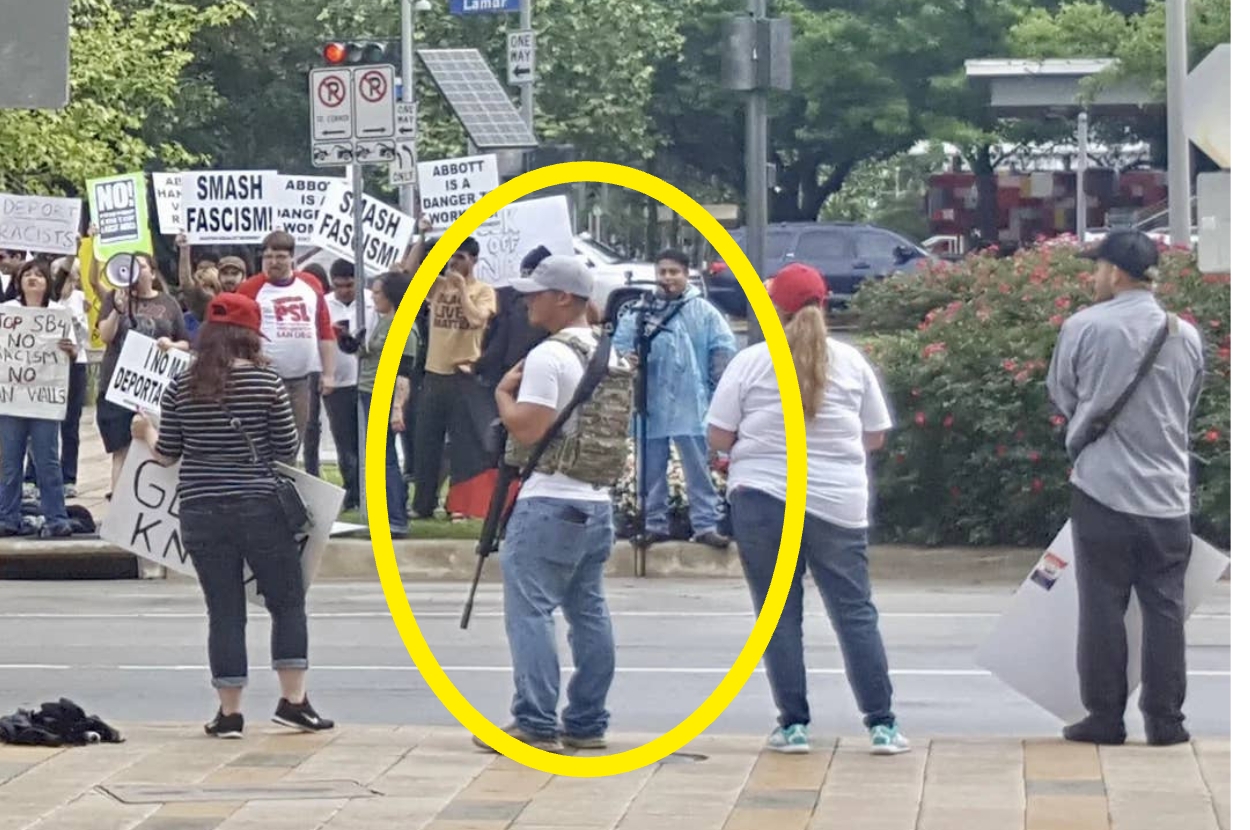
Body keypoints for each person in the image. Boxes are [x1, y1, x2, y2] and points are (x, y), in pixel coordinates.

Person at [706, 262, 908, 756]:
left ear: (776, 307)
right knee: (855, 614)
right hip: (837, 502)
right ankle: (881, 724)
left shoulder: (752, 361)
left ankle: (793, 725)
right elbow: (875, 435)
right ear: (825, 304)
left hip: (762, 498)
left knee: (778, 614)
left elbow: (718, 434)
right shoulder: (852, 363)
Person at [129, 292, 334, 739]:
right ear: (250, 336)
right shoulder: (267, 383)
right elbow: (286, 450)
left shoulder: (182, 385)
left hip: (201, 510)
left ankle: (229, 713)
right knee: (286, 602)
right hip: (260, 508)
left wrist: (146, 430)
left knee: (224, 611)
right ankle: (293, 702)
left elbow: (167, 454)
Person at [1046, 230, 1205, 747]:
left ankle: (1104, 717)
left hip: (1103, 489)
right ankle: (1166, 721)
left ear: (1115, 272)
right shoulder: (1184, 334)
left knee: (1102, 606)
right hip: (1168, 496)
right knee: (1165, 609)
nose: (1094, 277)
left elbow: (1063, 394)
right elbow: (1189, 403)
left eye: (1097, 268)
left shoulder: (1083, 327)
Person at [474, 255, 626, 753]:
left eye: (537, 293)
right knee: (589, 611)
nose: (526, 300)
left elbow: (529, 426)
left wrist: (501, 395)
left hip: (550, 498)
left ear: (564, 298)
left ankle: (535, 720)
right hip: (596, 500)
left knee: (531, 612)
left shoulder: (549, 356)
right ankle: (587, 720)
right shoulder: (610, 353)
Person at [612, 248, 737, 547]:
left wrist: (716, 390)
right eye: (662, 272)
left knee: (697, 466)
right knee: (650, 466)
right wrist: (628, 360)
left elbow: (722, 348)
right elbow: (620, 347)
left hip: (691, 403)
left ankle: (706, 525)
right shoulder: (642, 311)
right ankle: (653, 523)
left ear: (686, 274)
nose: (667, 278)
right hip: (651, 402)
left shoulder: (704, 311)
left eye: (674, 272)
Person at [410, 237, 497, 519]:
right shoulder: (437, 286)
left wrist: (461, 291)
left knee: (463, 445)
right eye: (450, 258)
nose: (454, 263)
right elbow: (408, 275)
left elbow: (476, 320)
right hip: (435, 373)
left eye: (460, 257)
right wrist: (419, 238)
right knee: (426, 442)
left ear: (473, 259)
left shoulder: (484, 291)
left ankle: (459, 505)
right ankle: (423, 504)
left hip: (463, 375)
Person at [235, 231, 337, 465]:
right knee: (260, 439)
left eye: (280, 257)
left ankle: (284, 488)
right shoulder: (250, 289)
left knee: (293, 440)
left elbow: (324, 329)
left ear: (292, 258)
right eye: (268, 257)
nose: (273, 262)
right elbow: (237, 334)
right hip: (263, 379)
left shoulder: (310, 284)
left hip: (300, 380)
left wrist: (329, 374)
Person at [95, 253, 191, 491]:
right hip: (118, 387)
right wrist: (117, 309)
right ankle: (118, 508)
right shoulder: (114, 298)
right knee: (122, 451)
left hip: (155, 390)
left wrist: (171, 345)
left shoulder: (169, 303)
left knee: (155, 447)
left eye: (141, 266)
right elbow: (106, 336)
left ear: (152, 272)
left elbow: (186, 344)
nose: (136, 272)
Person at [0, 261, 78, 538]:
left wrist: (70, 351)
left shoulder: (60, 314)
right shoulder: (6, 312)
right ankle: (6, 517)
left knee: (48, 462)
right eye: (27, 274)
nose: (32, 278)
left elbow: (73, 353)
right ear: (19, 281)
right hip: (11, 400)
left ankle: (56, 518)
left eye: (38, 275)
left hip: (44, 401)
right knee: (10, 462)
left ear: (47, 282)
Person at [346, 271, 415, 538]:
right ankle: (384, 517)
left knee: (384, 460)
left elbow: (403, 371)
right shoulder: (384, 321)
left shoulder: (402, 325)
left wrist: (397, 407)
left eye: (377, 292)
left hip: (382, 393)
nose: (373, 297)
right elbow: (374, 352)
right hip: (368, 389)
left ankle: (395, 518)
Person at [324, 259, 376, 511]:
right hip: (338, 381)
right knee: (344, 440)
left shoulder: (371, 302)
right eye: (339, 286)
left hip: (366, 379)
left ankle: (371, 491)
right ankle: (352, 492)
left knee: (368, 439)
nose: (344, 290)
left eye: (349, 285)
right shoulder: (324, 304)